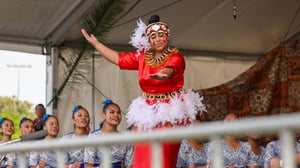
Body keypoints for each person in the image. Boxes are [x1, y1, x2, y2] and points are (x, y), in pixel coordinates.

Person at [81, 14, 206, 168]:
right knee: (142, 156)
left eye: (161, 35)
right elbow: (118, 59)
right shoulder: (143, 57)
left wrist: (163, 74)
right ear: (149, 40)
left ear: (167, 36)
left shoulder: (176, 57)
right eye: (153, 36)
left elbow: (172, 68)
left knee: (162, 157)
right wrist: (96, 44)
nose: (158, 39)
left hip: (170, 110)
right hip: (147, 110)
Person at [84, 100, 133, 168]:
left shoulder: (126, 139)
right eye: (112, 112)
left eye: (118, 113)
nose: (116, 115)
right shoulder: (94, 137)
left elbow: (129, 165)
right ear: (103, 116)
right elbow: (87, 165)